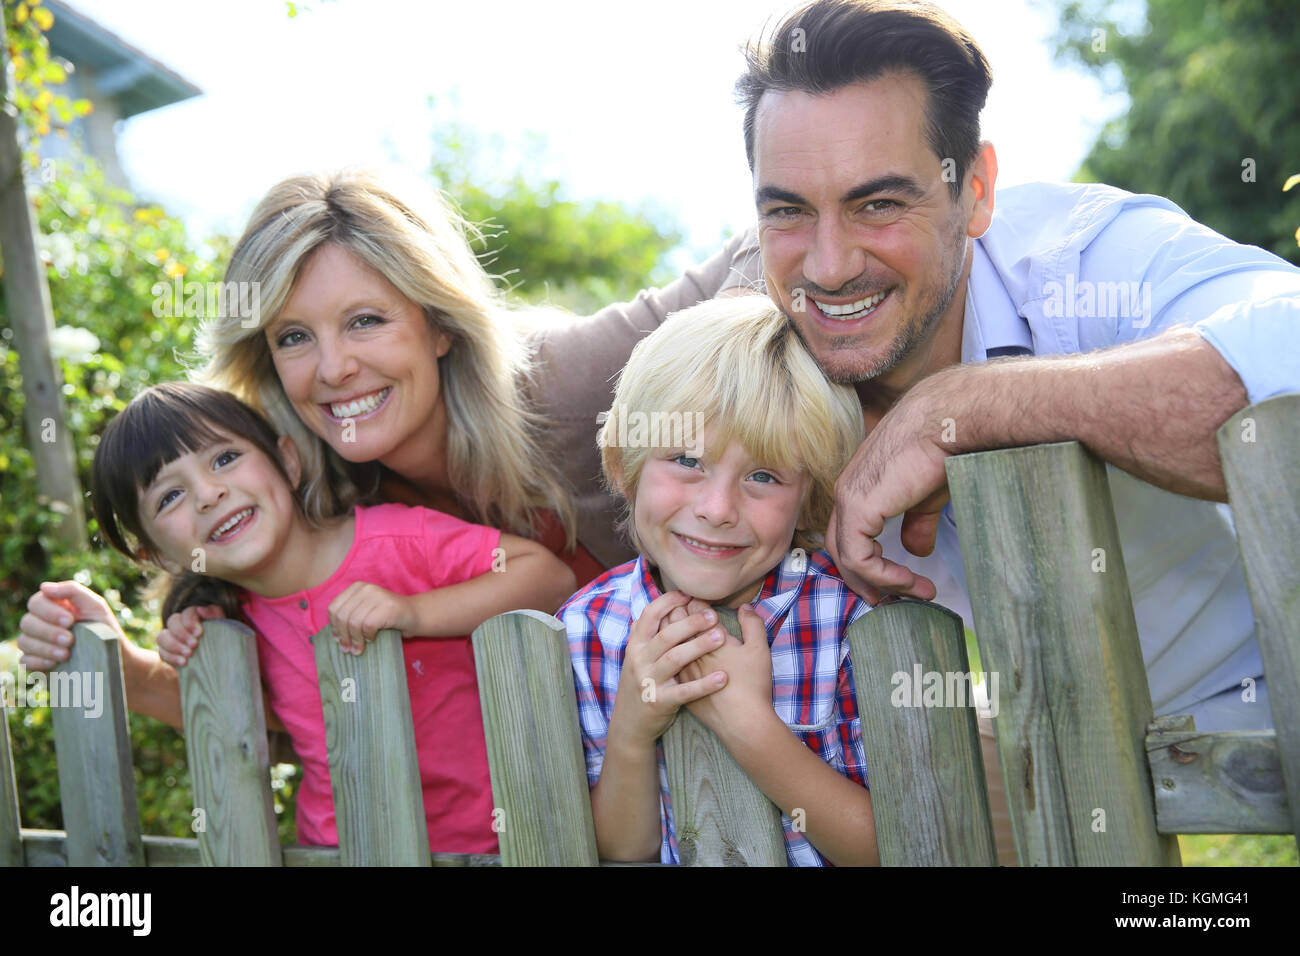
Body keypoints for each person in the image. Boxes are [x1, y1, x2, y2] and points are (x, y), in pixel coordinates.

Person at [731, 0, 1300, 734]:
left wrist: (967, 407)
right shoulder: (753, 352)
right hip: (1103, 769)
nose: (829, 266)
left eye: (877, 203)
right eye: (787, 212)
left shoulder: (1085, 259)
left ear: (976, 190)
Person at [18, 168, 757, 715]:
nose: (335, 368)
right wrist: (124, 664)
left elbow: (761, 244)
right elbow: (296, 722)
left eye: (366, 320)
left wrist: (719, 379)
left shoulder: (568, 384)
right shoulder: (319, 511)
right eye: (295, 337)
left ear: (438, 323)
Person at [38, 381, 575, 853]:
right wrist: (116, 655)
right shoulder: (227, 625)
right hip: (342, 851)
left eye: (224, 458)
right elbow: (242, 722)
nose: (209, 494)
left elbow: (548, 577)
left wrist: (414, 612)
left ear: (287, 461)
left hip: (496, 844)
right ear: (157, 555)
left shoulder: (399, 540)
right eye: (170, 496)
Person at [562, 295, 878, 866]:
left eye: (763, 475)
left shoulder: (853, 624)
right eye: (686, 460)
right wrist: (631, 732)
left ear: (811, 498)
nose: (717, 507)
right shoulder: (588, 629)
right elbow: (621, 852)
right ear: (626, 465)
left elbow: (896, 847)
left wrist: (749, 726)